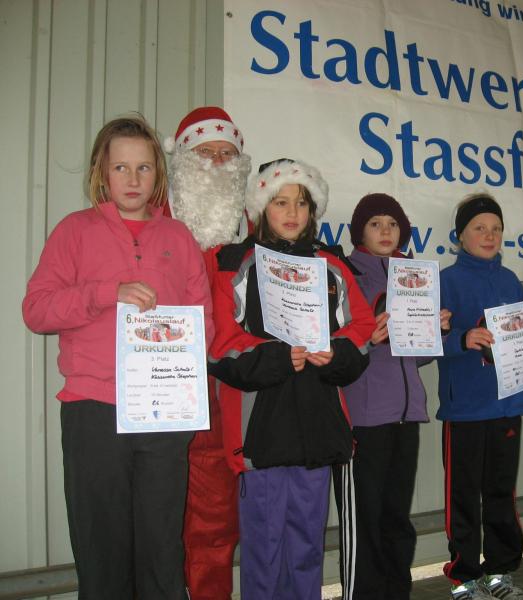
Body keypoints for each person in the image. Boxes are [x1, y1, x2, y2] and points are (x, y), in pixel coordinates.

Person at [22, 115, 213, 599]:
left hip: (164, 411)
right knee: (101, 550)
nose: (133, 179)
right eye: (121, 167)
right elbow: (36, 310)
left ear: (158, 173)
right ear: (101, 172)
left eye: (144, 168)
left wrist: (181, 357)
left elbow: (203, 321)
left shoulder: (179, 238)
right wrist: (106, 292)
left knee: (161, 550)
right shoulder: (75, 231)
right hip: (93, 410)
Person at [207, 159, 375, 600]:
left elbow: (360, 330)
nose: (292, 212)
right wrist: (277, 358)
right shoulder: (234, 263)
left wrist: (335, 352)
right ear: (261, 207)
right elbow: (219, 343)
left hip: (318, 428)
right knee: (263, 548)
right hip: (260, 429)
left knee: (307, 545)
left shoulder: (331, 264)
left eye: (301, 203)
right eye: (280, 202)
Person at [333, 193, 451, 600]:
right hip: (364, 417)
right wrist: (367, 337)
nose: (385, 231)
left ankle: (397, 592)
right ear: (359, 232)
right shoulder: (346, 276)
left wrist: (435, 331)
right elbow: (334, 349)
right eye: (375, 224)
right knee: (366, 518)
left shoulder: (414, 278)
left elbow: (418, 358)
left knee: (397, 516)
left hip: (407, 414)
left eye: (392, 224)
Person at [437, 193, 523, 600]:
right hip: (465, 409)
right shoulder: (446, 281)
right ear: (460, 236)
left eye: (496, 229)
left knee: (502, 493)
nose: (489, 236)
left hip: (508, 405)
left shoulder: (510, 281)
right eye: (479, 229)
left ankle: (500, 572)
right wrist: (460, 339)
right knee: (463, 496)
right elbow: (425, 341)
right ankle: (464, 577)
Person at [164, 106, 252, 600]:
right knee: (155, 516)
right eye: (206, 152)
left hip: (229, 395)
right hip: (164, 391)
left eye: (227, 154)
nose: (218, 163)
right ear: (182, 159)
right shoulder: (152, 226)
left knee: (217, 518)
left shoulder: (255, 231)